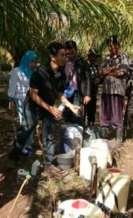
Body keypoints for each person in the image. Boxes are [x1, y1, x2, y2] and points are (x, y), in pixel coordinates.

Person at [8, 42, 80, 175]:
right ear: (53, 57)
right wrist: (50, 108)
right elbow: (33, 94)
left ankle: (48, 164)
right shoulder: (39, 72)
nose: (65, 57)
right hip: (32, 106)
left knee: (50, 135)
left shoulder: (61, 73)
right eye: (62, 55)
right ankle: (13, 157)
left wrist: (70, 106)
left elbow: (58, 92)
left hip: (48, 107)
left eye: (65, 55)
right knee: (25, 130)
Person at [99, 35, 129, 148]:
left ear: (118, 45)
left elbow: (121, 72)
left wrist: (108, 71)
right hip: (106, 89)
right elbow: (100, 71)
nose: (110, 48)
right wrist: (112, 70)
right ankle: (104, 134)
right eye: (108, 46)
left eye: (112, 46)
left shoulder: (123, 56)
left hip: (117, 89)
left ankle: (119, 137)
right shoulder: (107, 58)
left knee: (117, 112)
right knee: (105, 111)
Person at [8, 50, 38, 156]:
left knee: (31, 122)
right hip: (20, 100)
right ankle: (23, 145)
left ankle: (28, 144)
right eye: (32, 62)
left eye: (35, 62)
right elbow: (12, 86)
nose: (33, 64)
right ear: (26, 61)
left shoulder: (34, 73)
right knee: (24, 123)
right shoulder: (17, 71)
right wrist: (11, 100)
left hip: (31, 101)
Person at [63, 40, 91, 125]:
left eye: (72, 53)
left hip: (77, 92)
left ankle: (78, 134)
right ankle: (69, 134)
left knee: (77, 113)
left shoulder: (82, 62)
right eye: (68, 53)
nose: (70, 55)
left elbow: (88, 78)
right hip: (66, 92)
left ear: (76, 50)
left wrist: (87, 94)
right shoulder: (63, 62)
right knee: (66, 113)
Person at [85, 48, 101, 126]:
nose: (94, 58)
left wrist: (98, 78)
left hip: (93, 91)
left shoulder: (97, 66)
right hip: (84, 91)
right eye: (92, 56)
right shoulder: (84, 65)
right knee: (84, 110)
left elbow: (100, 76)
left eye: (95, 57)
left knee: (92, 110)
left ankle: (91, 126)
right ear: (89, 56)